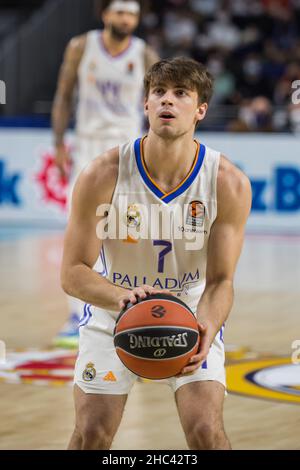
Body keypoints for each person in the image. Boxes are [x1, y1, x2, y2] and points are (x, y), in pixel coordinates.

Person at [61, 57, 252, 450]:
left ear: (200, 110)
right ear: (145, 105)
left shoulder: (227, 182)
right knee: (92, 432)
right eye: (159, 93)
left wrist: (207, 329)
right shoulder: (103, 173)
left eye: (181, 93)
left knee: (205, 431)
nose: (168, 100)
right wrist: (121, 297)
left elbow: (221, 281)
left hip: (192, 311)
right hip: (115, 308)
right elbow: (73, 272)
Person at [51, 0, 159, 347]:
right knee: (80, 231)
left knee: (127, 234)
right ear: (105, 14)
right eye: (120, 12)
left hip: (128, 151)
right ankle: (76, 314)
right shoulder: (81, 46)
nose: (126, 19)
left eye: (132, 14)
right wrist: (57, 144)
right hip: (86, 147)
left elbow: (159, 104)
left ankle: (127, 308)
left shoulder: (145, 54)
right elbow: (64, 96)